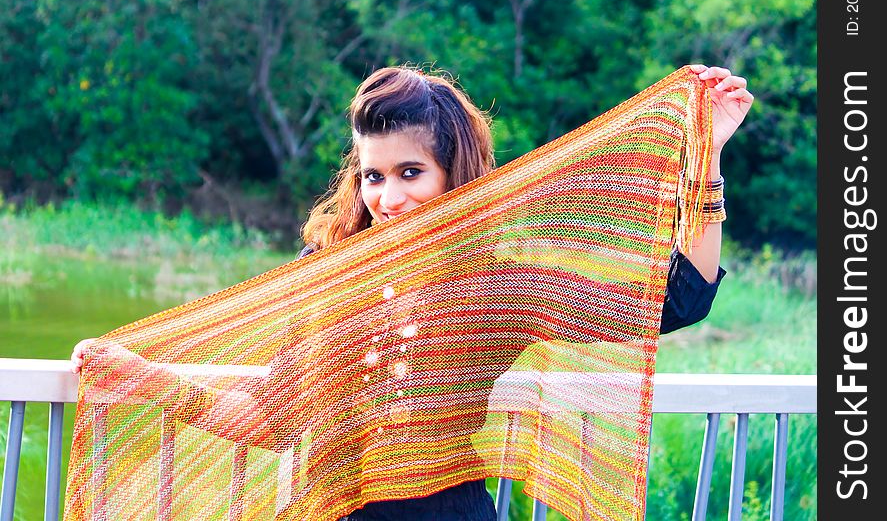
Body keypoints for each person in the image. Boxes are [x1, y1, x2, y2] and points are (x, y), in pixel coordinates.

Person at [71, 63, 753, 521]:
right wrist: (143, 377)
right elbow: (273, 419)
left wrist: (707, 155)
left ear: (452, 174)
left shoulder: (496, 286)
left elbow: (680, 299)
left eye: (408, 172)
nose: (388, 198)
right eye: (372, 177)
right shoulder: (330, 274)